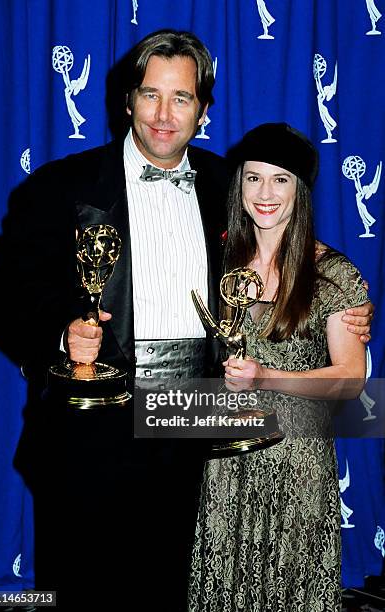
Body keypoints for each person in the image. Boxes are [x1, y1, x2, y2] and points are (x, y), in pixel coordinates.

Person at [0, 32, 371, 611]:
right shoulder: (58, 188)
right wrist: (58, 333)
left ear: (203, 110)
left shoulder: (226, 184)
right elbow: (5, 293)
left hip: (197, 418)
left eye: (182, 99)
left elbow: (278, 229)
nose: (165, 115)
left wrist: (341, 285)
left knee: (177, 587)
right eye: (151, 95)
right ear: (127, 100)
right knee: (85, 586)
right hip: (93, 423)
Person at [188, 123, 369, 611]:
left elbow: (351, 379)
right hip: (226, 462)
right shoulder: (216, 262)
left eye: (280, 180)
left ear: (301, 190)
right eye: (253, 178)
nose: (265, 193)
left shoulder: (334, 274)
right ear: (238, 185)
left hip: (297, 464)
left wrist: (267, 378)